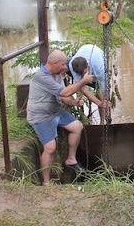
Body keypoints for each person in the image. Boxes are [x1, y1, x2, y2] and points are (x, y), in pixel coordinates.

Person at [27, 49, 95, 186]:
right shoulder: (42, 77)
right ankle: (46, 183)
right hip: (41, 116)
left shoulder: (57, 75)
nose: (66, 67)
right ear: (55, 63)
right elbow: (64, 92)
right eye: (63, 64)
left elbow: (64, 98)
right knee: (51, 148)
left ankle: (71, 159)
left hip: (56, 111)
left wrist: (74, 102)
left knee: (77, 127)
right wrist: (83, 81)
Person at [68, 44, 111, 123]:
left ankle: (103, 122)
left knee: (102, 97)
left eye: (84, 73)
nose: (83, 76)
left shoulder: (99, 67)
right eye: (80, 75)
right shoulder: (72, 65)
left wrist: (102, 102)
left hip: (97, 58)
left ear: (87, 66)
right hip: (84, 50)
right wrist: (98, 103)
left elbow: (103, 88)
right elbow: (82, 88)